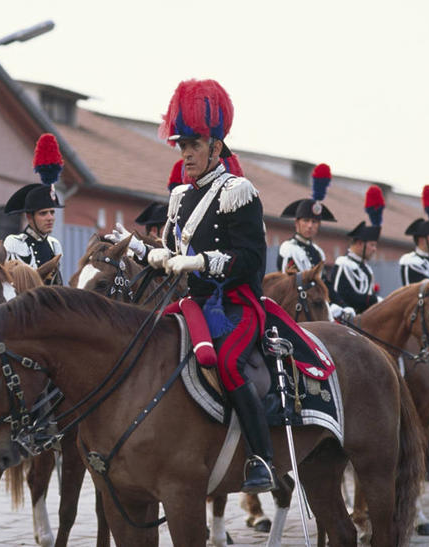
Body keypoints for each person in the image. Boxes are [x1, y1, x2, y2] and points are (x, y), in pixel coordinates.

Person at [148, 79, 275, 493]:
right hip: (193, 304)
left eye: (195, 144)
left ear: (216, 148)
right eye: (183, 144)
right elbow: (171, 248)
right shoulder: (181, 196)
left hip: (235, 305)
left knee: (226, 362)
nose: (186, 153)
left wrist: (202, 262)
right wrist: (146, 252)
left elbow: (252, 260)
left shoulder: (239, 192)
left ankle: (261, 458)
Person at [3, 134, 64, 284]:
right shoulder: (14, 243)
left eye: (52, 212)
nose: (50, 217)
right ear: (29, 217)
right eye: (43, 213)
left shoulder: (54, 245)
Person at [332, 185, 384, 315]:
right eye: (372, 245)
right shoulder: (343, 263)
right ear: (360, 243)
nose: (374, 249)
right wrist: (374, 300)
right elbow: (341, 294)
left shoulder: (367, 269)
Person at [277, 163, 336, 273]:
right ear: (297, 223)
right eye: (306, 221)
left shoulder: (319, 253)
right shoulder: (289, 248)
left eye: (314, 222)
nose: (310, 225)